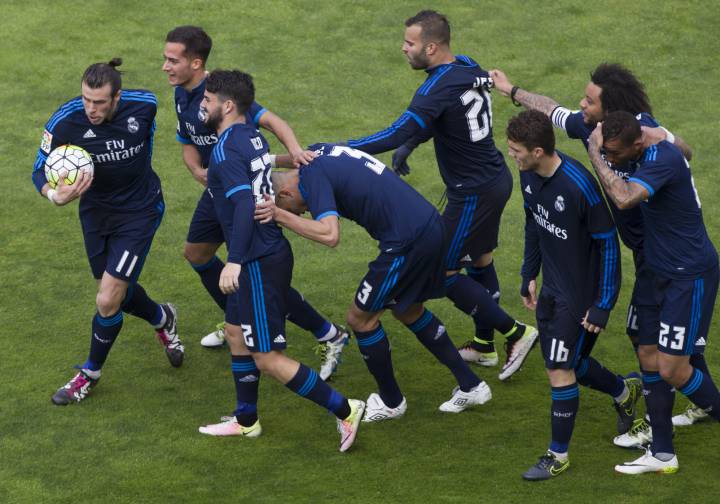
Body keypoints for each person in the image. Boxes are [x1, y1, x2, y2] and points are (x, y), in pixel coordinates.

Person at [490, 63, 710, 438]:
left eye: (590, 101)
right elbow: (552, 109)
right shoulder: (591, 127)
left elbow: (681, 156)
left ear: (612, 111)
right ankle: (692, 398)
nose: (582, 105)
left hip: (670, 256)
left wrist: (665, 137)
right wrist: (512, 91)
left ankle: (665, 428)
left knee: (651, 341)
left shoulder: (639, 134)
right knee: (658, 338)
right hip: (649, 254)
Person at [345, 10, 537, 379]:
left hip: (473, 193)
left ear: (431, 48)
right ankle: (484, 346)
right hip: (493, 179)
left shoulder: (435, 88)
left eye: (410, 43)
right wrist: (412, 145)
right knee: (480, 259)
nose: (403, 48)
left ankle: (515, 332)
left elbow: (397, 131)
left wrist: (345, 148)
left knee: (441, 267)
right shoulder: (465, 65)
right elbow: (445, 115)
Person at [163, 26, 348, 380]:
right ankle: (238, 318)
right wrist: (196, 169)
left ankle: (328, 333)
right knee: (196, 253)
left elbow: (272, 121)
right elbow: (187, 139)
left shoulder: (220, 94)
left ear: (195, 63)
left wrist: (295, 151)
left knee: (258, 274)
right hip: (218, 191)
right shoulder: (181, 95)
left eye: (172, 60)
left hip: (242, 194)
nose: (165, 66)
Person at [257, 144, 492, 421]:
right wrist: (265, 160)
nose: (302, 213)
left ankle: (392, 402)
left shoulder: (310, 180)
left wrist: (279, 215)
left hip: (407, 242)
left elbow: (330, 235)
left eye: (293, 209)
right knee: (408, 310)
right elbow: (297, 160)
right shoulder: (315, 152)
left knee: (360, 319)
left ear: (285, 193)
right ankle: (471, 385)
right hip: (428, 224)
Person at [195, 70, 364, 451]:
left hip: (257, 259)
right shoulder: (251, 135)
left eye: (207, 100)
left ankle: (345, 409)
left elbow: (243, 205)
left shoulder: (224, 151)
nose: (201, 106)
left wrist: (234, 261)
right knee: (235, 332)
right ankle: (246, 421)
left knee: (268, 358)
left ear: (227, 106)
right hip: (265, 250)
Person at [32, 59, 183, 405]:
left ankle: (89, 374)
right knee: (115, 293)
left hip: (139, 212)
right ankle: (163, 317)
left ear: (117, 97)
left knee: (107, 299)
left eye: (99, 102)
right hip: (95, 214)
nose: (91, 109)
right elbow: (38, 170)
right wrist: (54, 195)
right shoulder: (65, 120)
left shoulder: (144, 106)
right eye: (86, 99)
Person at [506, 111, 635, 481]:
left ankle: (557, 455)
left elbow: (608, 246)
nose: (512, 155)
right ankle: (624, 392)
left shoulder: (580, 186)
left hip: (580, 296)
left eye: (516, 150)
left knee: (559, 369)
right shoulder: (527, 173)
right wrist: (529, 272)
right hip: (551, 287)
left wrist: (603, 305)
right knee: (571, 363)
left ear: (538, 151)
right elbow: (533, 221)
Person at [588, 111, 720, 474]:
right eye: (607, 152)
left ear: (637, 144)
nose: (611, 159)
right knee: (646, 350)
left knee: (673, 369)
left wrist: (596, 153)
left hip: (687, 276)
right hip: (655, 272)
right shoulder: (638, 141)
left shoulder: (662, 158)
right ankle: (662, 453)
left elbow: (624, 197)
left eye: (615, 154)